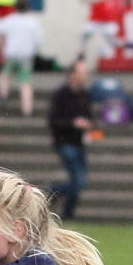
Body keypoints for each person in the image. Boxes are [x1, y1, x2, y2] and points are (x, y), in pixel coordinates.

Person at [46, 61, 93, 220]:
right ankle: (55, 196)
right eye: (82, 73)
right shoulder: (60, 95)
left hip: (79, 142)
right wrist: (73, 123)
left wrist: (88, 125)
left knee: (79, 181)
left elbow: (89, 115)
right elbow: (54, 120)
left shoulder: (84, 94)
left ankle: (63, 206)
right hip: (64, 142)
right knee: (78, 180)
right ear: (72, 74)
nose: (85, 76)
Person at [0, 0, 41, 117]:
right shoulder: (32, 22)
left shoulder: (10, 20)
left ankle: (3, 95)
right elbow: (38, 40)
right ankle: (27, 110)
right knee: (25, 83)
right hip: (25, 56)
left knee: (4, 75)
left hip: (11, 54)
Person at [78, 0, 116, 67]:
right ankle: (80, 61)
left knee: (111, 43)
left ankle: (80, 61)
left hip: (101, 16)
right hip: (97, 16)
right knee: (84, 38)